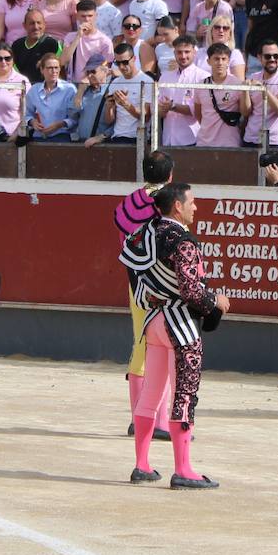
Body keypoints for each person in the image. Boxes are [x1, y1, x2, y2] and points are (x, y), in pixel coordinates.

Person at [119, 182, 230, 488]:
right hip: (180, 324)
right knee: (184, 394)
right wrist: (215, 301)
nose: (196, 207)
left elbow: (136, 278)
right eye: (191, 202)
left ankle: (142, 464)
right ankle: (183, 469)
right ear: (177, 206)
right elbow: (191, 291)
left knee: (151, 394)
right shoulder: (182, 241)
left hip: (153, 320)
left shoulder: (143, 234)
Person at [114, 151, 176, 440]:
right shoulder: (167, 202)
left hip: (135, 281)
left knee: (141, 344)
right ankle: (155, 420)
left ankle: (140, 418)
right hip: (163, 285)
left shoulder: (129, 202)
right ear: (170, 175)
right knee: (164, 347)